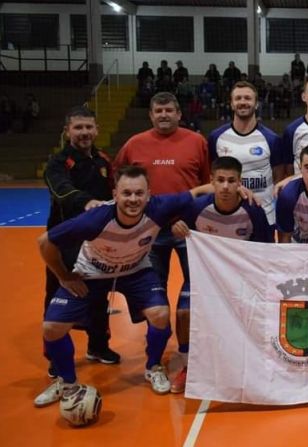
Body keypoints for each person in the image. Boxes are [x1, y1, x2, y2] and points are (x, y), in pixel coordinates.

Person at [35, 165, 211, 412]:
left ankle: (153, 367)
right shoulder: (95, 219)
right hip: (92, 273)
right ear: (115, 194)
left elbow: (198, 192)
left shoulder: (158, 208)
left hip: (135, 270)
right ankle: (67, 383)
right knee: (52, 328)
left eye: (139, 193)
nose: (133, 199)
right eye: (126, 194)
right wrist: (64, 276)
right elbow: (45, 242)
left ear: (149, 194)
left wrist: (239, 190)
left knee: (160, 314)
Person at [114, 92, 211, 379]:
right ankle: (154, 353)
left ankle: (190, 346)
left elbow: (206, 183)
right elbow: (119, 181)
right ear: (151, 115)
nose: (164, 115)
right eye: (159, 110)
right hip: (149, 233)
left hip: (188, 231)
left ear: (179, 114)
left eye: (169, 110)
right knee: (153, 293)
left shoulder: (196, 142)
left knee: (196, 290)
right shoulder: (135, 144)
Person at [34, 107, 118, 407]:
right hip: (65, 241)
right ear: (68, 131)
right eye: (78, 128)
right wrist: (88, 203)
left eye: (89, 127)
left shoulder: (104, 160)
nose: (84, 133)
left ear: (96, 129)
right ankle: (56, 361)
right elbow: (63, 192)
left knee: (97, 295)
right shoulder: (58, 163)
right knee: (57, 295)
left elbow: (116, 191)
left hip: (97, 242)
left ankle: (98, 346)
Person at [169, 156, 273, 393]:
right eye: (221, 180)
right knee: (184, 312)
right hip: (206, 275)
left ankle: (256, 363)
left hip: (243, 277)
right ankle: (187, 366)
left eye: (231, 181)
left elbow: (266, 251)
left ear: (240, 183)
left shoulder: (254, 211)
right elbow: (175, 227)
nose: (225, 187)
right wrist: (176, 229)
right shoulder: (197, 208)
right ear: (212, 181)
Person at [207, 81, 288, 225]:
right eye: (238, 98)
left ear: (256, 104)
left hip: (265, 217)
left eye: (247, 98)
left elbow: (278, 177)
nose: (243, 102)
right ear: (231, 104)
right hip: (228, 218)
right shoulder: (216, 137)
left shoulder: (272, 139)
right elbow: (212, 177)